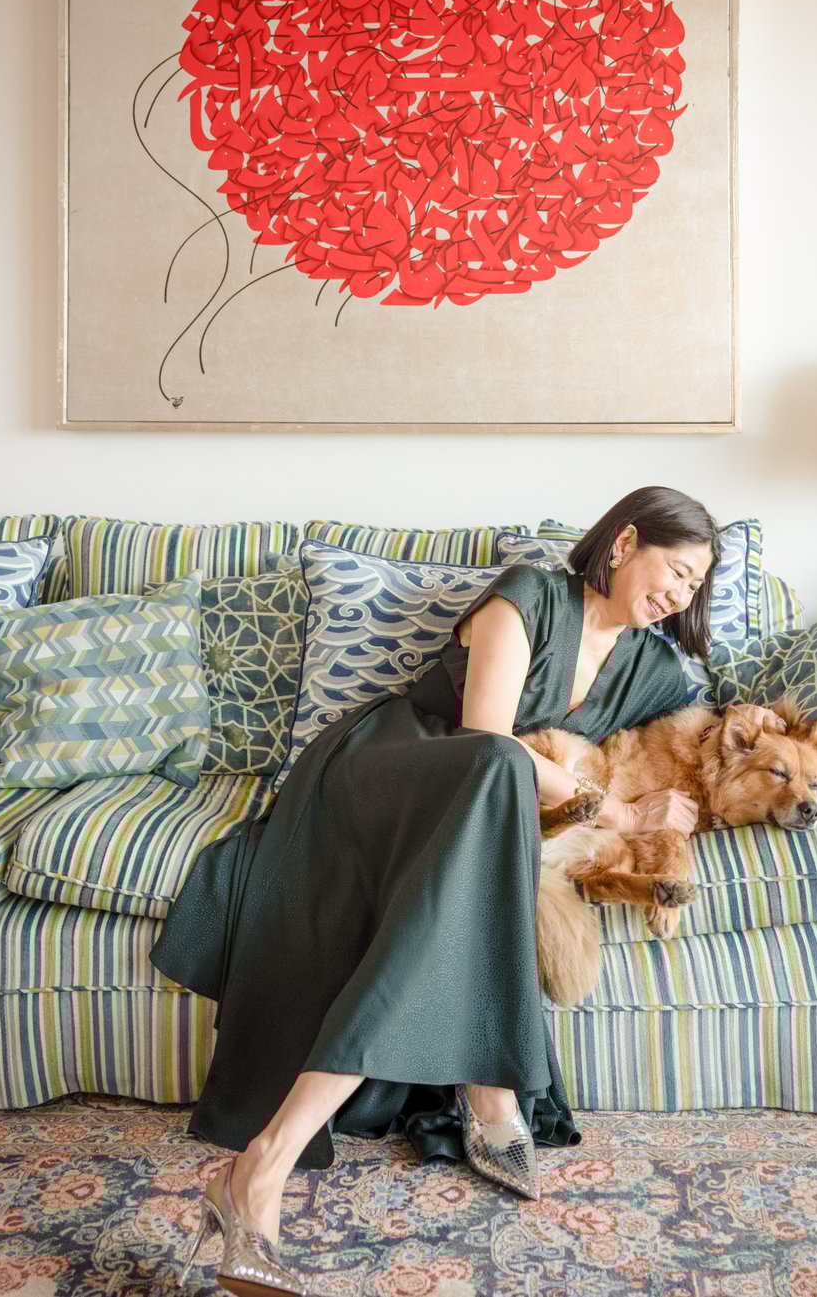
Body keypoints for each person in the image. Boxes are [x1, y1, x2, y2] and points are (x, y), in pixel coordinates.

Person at [152, 486, 719, 1295]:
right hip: (392, 768)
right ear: (625, 542)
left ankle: (260, 1169)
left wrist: (688, 803)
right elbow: (487, 732)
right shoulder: (530, 594)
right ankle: (488, 1088)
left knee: (473, 848)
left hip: (480, 815)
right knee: (497, 768)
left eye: (696, 585)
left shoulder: (651, 668)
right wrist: (618, 809)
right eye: (677, 569)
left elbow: (722, 741)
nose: (680, 594)